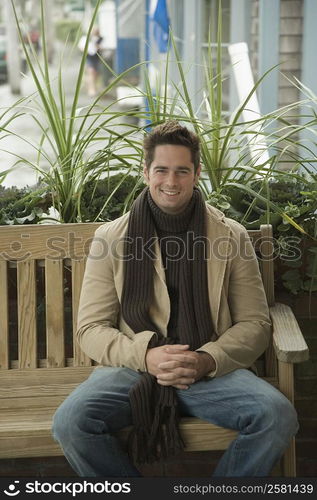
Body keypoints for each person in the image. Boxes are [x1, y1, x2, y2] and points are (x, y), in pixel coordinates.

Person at [52, 121, 298, 477]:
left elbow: (255, 324)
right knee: (71, 423)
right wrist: (146, 357)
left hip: (211, 371)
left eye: (182, 171)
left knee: (277, 416)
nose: (171, 182)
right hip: (132, 369)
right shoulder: (111, 238)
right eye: (162, 170)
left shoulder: (231, 235)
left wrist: (205, 360)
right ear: (145, 171)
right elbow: (90, 328)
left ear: (197, 173)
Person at [79, 27, 103, 97]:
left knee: (96, 74)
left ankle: (93, 87)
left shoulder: (100, 39)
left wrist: (98, 47)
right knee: (91, 72)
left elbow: (102, 47)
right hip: (89, 57)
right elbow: (81, 47)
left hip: (97, 58)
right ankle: (91, 89)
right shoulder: (86, 39)